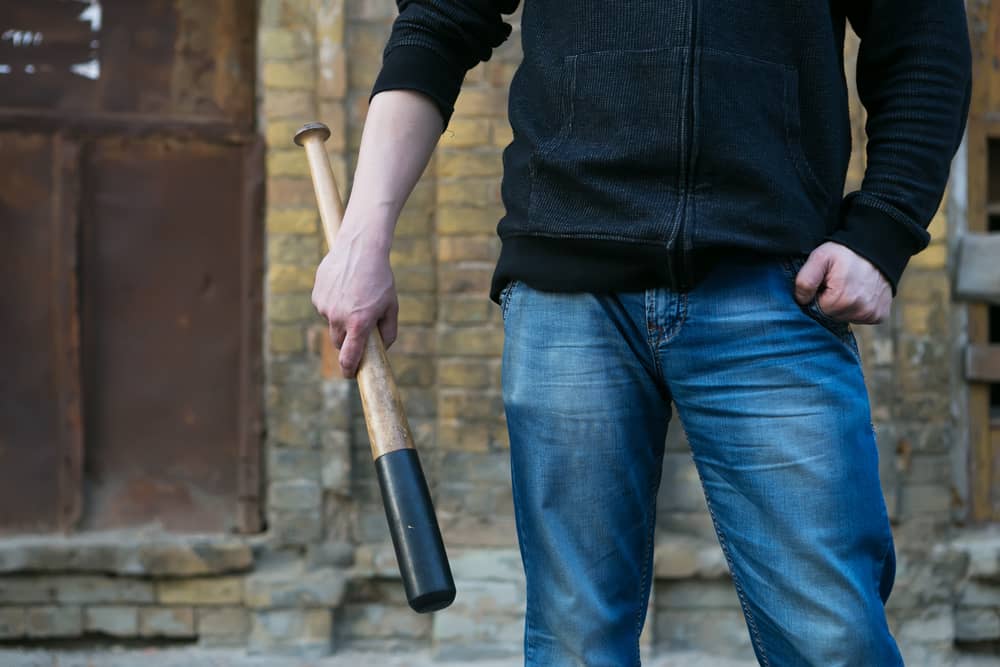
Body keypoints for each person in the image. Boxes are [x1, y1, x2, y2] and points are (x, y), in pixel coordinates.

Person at [311, 1, 972, 664]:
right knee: (576, 644)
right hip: (568, 290)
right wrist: (363, 239)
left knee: (835, 639)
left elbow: (922, 36)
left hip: (773, 285)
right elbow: (438, 19)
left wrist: (884, 229)